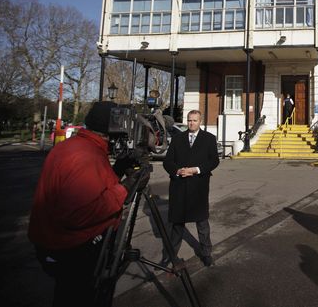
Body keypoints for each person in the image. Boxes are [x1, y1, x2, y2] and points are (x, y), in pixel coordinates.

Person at [28, 101, 144, 307]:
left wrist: (117, 170)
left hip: (54, 241)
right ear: (111, 132)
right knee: (79, 297)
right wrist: (125, 188)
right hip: (71, 249)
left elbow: (94, 186)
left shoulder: (77, 146)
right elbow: (79, 214)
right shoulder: (86, 156)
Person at [163, 109, 219, 267]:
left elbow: (214, 161)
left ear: (200, 121)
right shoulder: (177, 139)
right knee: (177, 224)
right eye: (189, 120)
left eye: (195, 120)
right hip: (179, 185)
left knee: (202, 222)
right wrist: (177, 171)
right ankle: (171, 255)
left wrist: (196, 170)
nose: (191, 123)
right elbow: (168, 161)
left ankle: (206, 253)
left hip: (198, 186)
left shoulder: (209, 138)